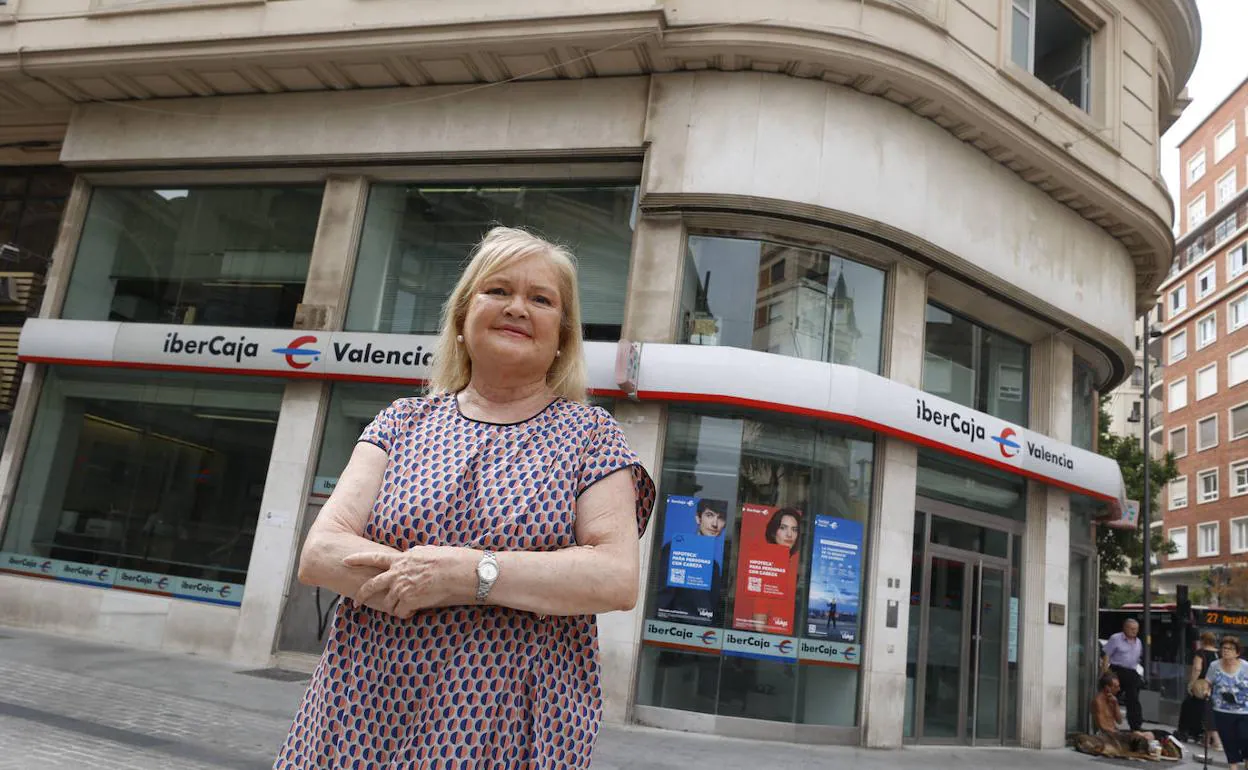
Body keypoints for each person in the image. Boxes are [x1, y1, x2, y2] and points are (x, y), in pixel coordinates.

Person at [274, 227, 656, 769]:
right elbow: (320, 554)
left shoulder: (591, 435)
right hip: (358, 713)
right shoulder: (401, 421)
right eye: (497, 290)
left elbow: (615, 577)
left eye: (541, 299)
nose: (517, 308)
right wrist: (422, 578)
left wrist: (469, 575)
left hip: (501, 727)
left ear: (561, 336)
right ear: (461, 318)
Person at [655, 498, 727, 625]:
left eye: (720, 518)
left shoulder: (714, 566)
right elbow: (662, 600)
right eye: (709, 515)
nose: (715, 524)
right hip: (673, 632)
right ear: (698, 519)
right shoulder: (676, 549)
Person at [1089, 672, 1156, 757]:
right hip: (1109, 735)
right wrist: (1121, 734)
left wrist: (1116, 704)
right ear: (1107, 688)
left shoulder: (1111, 700)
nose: (1119, 689)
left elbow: (1119, 721)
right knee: (1144, 737)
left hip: (1116, 733)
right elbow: (1102, 727)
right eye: (1116, 686)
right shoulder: (1098, 702)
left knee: (1150, 734)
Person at [1209, 635, 1248, 770]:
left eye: (1230, 649)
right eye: (1224, 648)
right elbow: (1208, 683)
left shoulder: (1245, 666)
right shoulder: (1214, 666)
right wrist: (1205, 690)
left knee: (1245, 739)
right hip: (1222, 711)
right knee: (1229, 742)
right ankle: (1233, 768)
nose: (1226, 651)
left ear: (1237, 652)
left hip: (1244, 711)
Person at [1178, 631, 1222, 746]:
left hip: (1201, 686)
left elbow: (1197, 669)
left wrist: (1191, 683)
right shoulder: (1219, 654)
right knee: (1209, 709)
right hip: (1215, 686)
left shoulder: (1200, 653)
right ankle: (1206, 738)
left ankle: (1188, 732)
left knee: (1188, 705)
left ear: (1203, 641)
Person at [1102, 618, 1145, 732]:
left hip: (1131, 671)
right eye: (1131, 629)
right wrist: (1106, 673)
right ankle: (1106, 722)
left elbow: (1138, 658)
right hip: (1117, 670)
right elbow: (1106, 655)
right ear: (1125, 628)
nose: (1134, 631)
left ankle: (1136, 725)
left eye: (1136, 629)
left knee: (1134, 698)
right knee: (1110, 697)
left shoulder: (1138, 641)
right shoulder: (1116, 638)